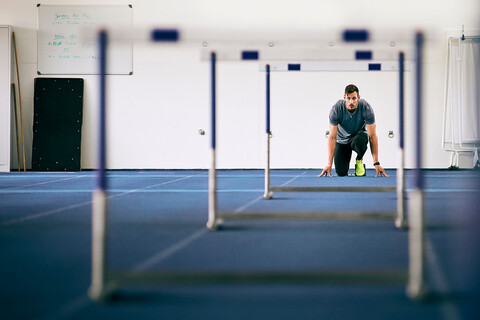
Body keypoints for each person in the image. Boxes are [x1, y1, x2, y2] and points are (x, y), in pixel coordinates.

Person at [317, 84, 389, 177]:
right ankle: (344, 164)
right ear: (344, 98)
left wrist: (376, 163)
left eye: (354, 98)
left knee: (362, 138)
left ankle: (359, 159)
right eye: (348, 98)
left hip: (358, 137)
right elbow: (332, 137)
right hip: (342, 140)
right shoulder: (337, 109)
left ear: (358, 98)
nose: (351, 101)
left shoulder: (365, 107)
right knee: (341, 173)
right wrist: (329, 164)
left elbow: (372, 136)